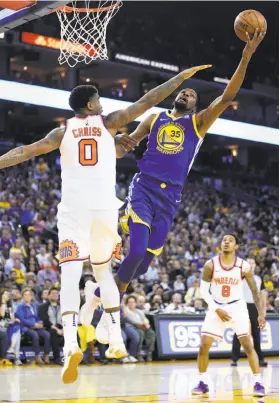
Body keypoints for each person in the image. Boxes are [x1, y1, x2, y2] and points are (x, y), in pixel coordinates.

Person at [0, 65, 209, 384]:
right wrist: (178, 79)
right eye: (98, 99)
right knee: (102, 272)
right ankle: (115, 340)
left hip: (72, 212)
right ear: (90, 106)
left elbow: (24, 152)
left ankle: (71, 344)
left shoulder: (61, 133)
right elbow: (147, 101)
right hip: (101, 211)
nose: (101, 103)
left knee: (69, 279)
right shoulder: (108, 123)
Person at [84, 29, 266, 334]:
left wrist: (246, 56)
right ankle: (110, 313)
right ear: (176, 96)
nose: (187, 94)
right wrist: (119, 145)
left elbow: (228, 96)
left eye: (193, 96)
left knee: (142, 266)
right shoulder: (154, 119)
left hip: (170, 199)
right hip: (144, 187)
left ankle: (98, 294)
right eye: (184, 92)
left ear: (195, 106)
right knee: (136, 253)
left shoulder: (198, 123)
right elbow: (121, 149)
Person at [192, 234, 266, 398]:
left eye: (230, 240)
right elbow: (204, 291)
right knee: (204, 344)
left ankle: (258, 382)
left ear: (236, 246)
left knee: (247, 345)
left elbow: (255, 291)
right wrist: (216, 308)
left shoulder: (243, 266)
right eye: (224, 240)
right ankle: (202, 382)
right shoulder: (210, 265)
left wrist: (261, 313)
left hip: (237, 307)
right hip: (216, 307)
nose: (226, 242)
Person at [231, 257, 267, 367]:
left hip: (254, 307)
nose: (251, 264)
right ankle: (234, 359)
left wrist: (262, 310)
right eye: (248, 263)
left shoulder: (258, 278)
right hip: (241, 306)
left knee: (256, 334)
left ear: (255, 265)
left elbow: (262, 295)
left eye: (253, 262)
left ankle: (260, 359)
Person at [15, 288, 51, 366]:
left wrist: (40, 323)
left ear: (32, 296)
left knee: (47, 334)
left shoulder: (34, 306)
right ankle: (37, 356)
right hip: (25, 327)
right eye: (26, 295)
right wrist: (33, 324)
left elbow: (38, 317)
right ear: (23, 296)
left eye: (29, 295)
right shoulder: (20, 307)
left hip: (36, 326)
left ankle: (46, 355)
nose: (28, 296)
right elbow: (22, 319)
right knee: (35, 335)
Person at [122, 295, 155, 362]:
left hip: (142, 327)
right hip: (133, 328)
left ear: (136, 303)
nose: (131, 303)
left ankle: (149, 353)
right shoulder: (126, 311)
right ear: (127, 303)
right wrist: (144, 324)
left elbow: (145, 319)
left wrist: (146, 323)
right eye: (129, 302)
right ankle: (138, 353)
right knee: (140, 333)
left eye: (133, 302)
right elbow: (133, 321)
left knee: (151, 333)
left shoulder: (139, 311)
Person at [38, 287, 64, 365]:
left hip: (61, 327)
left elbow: (66, 319)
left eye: (56, 293)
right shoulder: (43, 306)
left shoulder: (63, 306)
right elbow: (45, 321)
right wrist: (57, 329)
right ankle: (57, 358)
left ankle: (80, 357)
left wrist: (64, 329)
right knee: (53, 333)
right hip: (49, 327)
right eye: (52, 293)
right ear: (49, 295)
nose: (55, 295)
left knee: (75, 332)